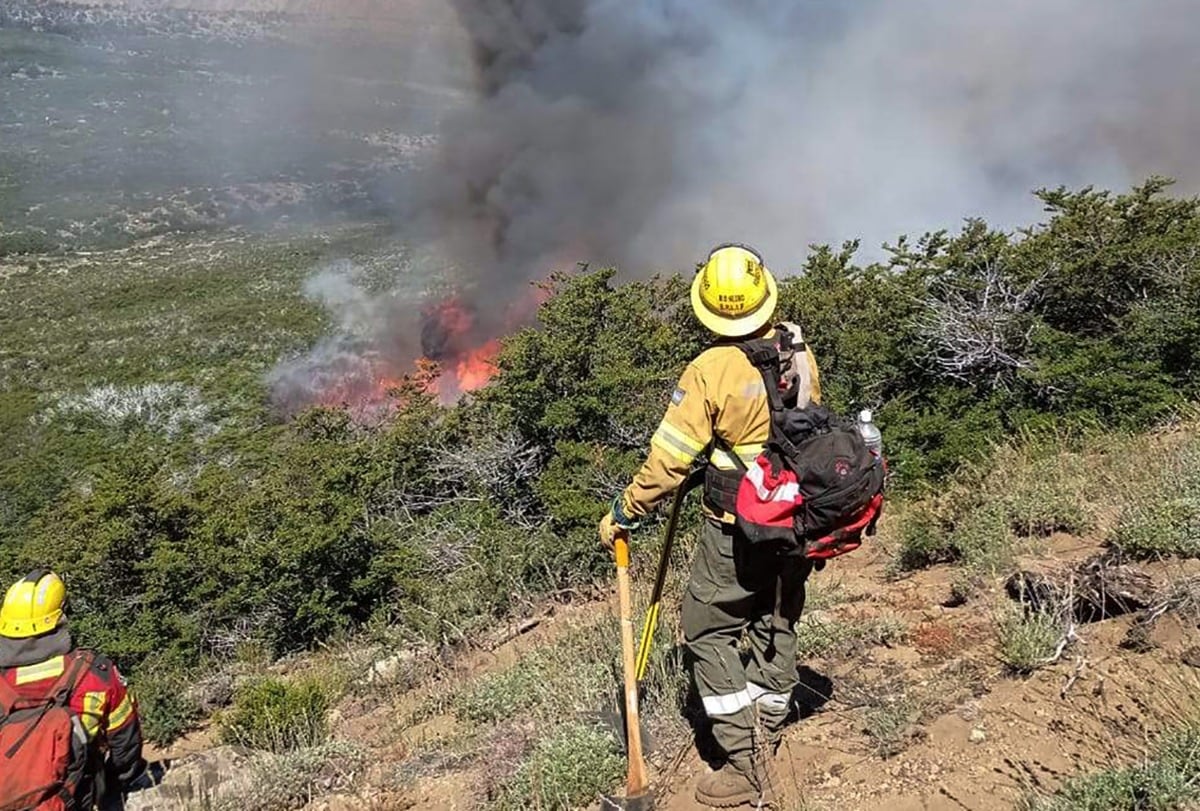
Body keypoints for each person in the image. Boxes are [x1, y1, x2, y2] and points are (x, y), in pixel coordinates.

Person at [598, 243, 822, 808]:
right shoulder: (798, 350)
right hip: (797, 518)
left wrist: (625, 511)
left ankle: (744, 766)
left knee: (707, 627)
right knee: (777, 612)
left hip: (735, 526)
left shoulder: (709, 369)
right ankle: (772, 716)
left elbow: (670, 460)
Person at [0, 570, 149, 810]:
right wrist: (112, 789)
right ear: (61, 616)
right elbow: (125, 744)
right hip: (72, 801)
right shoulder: (93, 672)